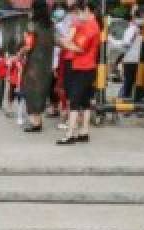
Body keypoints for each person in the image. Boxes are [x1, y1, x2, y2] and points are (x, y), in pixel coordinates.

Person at [57, 1, 101, 144]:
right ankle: (84, 132)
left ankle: (70, 135)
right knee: (85, 101)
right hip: (87, 68)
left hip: (83, 68)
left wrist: (62, 42)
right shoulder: (89, 25)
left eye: (79, 12)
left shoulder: (90, 27)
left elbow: (78, 48)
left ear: (87, 10)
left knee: (75, 101)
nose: (77, 16)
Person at [17, 0, 55, 132]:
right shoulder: (51, 26)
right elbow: (57, 41)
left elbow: (28, 46)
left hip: (34, 64)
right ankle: (38, 121)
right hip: (47, 65)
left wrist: (19, 53)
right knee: (42, 91)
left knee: (31, 91)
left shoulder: (32, 26)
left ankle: (35, 123)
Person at [115, 7, 143, 101]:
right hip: (135, 60)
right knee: (132, 83)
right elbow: (126, 43)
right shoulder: (136, 29)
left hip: (134, 60)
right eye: (141, 17)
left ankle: (126, 102)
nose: (142, 20)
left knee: (132, 83)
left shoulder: (136, 29)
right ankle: (126, 102)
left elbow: (126, 43)